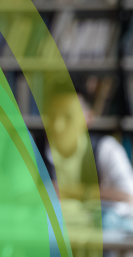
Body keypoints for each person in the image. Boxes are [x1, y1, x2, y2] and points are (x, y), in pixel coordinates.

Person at [40, 81, 133, 213]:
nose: (57, 126)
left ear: (88, 118)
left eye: (68, 117)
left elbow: (129, 197)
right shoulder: (31, 149)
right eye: (52, 115)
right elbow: (10, 195)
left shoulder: (106, 148)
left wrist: (67, 191)